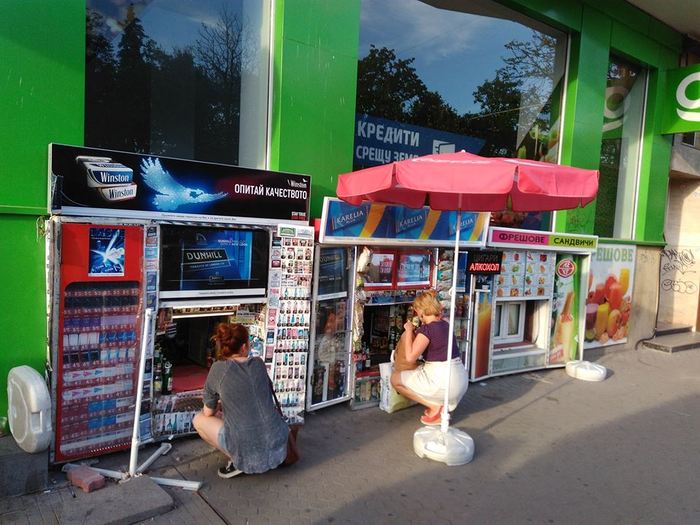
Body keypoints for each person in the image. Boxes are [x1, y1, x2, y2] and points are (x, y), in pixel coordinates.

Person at [193, 323, 289, 478]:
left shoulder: (218, 369)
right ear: (244, 347)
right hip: (277, 440)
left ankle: (238, 460)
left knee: (199, 420)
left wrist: (219, 404)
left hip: (247, 444)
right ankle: (255, 453)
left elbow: (208, 411)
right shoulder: (258, 363)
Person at [390, 289, 468, 426]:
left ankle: (435, 407)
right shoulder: (446, 324)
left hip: (443, 382)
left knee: (395, 379)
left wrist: (408, 331)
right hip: (460, 380)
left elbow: (410, 358)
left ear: (421, 311)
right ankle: (439, 406)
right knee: (419, 371)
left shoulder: (427, 330)